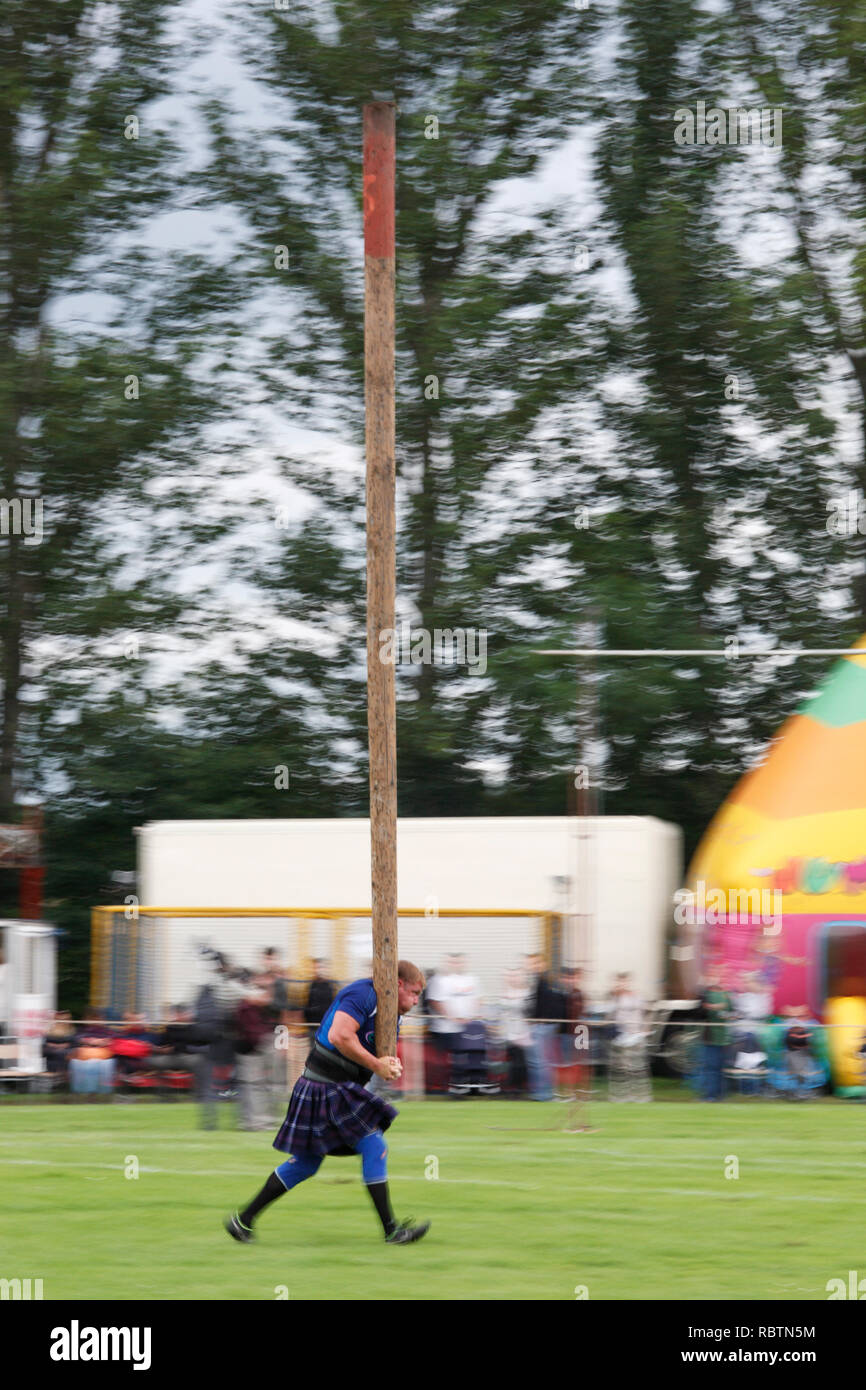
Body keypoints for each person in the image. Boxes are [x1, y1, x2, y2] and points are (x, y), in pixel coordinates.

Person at [226, 961, 431, 1246]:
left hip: (335, 1088)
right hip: (325, 1086)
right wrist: (377, 1065)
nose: (417, 999)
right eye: (414, 991)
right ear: (397, 984)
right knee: (374, 1145)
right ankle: (392, 1232)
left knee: (306, 1164)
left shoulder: (390, 1013)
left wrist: (388, 1065)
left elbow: (379, 1056)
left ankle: (242, 1222)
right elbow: (339, 1036)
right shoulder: (364, 994)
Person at [524, 953, 562, 1101]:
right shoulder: (534, 981)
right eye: (531, 964)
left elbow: (551, 1004)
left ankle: (545, 1094)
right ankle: (537, 1092)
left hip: (543, 1027)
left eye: (537, 963)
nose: (534, 966)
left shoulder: (546, 982)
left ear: (543, 965)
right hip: (535, 1026)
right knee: (535, 1062)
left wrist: (543, 1021)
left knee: (543, 1062)